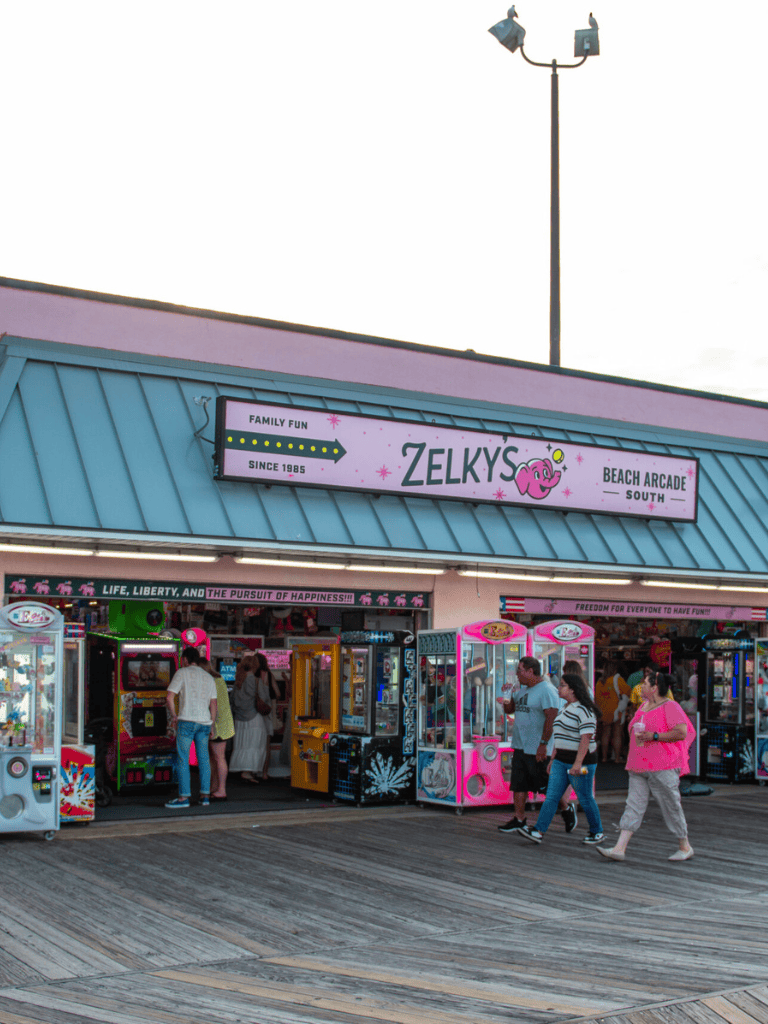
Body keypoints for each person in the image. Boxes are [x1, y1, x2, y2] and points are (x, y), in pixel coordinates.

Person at [597, 671, 695, 862]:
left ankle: (684, 845)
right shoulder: (643, 706)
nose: (641, 687)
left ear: (655, 688)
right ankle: (619, 847)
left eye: (645, 684)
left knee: (670, 804)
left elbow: (681, 732)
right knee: (633, 804)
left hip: (663, 765)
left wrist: (655, 736)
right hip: (639, 765)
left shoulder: (670, 706)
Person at [517, 672, 604, 845]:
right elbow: (560, 735)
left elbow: (585, 739)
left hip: (581, 761)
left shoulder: (584, 710)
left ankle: (597, 831)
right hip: (561, 760)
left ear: (572, 689)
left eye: (563, 685)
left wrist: (578, 763)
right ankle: (539, 831)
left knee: (585, 797)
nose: (559, 687)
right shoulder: (565, 707)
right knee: (552, 796)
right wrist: (553, 759)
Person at [497, 656, 576, 835]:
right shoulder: (523, 690)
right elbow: (510, 710)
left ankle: (566, 809)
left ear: (530, 671)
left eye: (520, 670)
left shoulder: (546, 689)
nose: (517, 674)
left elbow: (551, 716)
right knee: (519, 783)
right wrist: (507, 695)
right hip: (520, 744)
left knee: (546, 785)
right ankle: (519, 819)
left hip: (538, 747)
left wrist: (543, 743)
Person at [165, 646, 218, 809]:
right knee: (203, 760)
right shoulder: (209, 677)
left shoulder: (182, 673)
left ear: (186, 660)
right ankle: (204, 796)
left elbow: (169, 697)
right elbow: (213, 703)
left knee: (183, 759)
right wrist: (212, 723)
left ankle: (184, 797)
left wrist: (174, 715)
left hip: (187, 721)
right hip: (204, 723)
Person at [200, 658, 235, 800]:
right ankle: (215, 787)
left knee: (218, 757)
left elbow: (211, 704)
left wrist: (211, 725)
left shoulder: (209, 681)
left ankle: (221, 789)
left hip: (217, 724)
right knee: (216, 757)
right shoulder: (219, 679)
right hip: (224, 723)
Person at [229, 655, 268, 783]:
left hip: (239, 719)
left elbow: (232, 702)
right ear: (255, 666)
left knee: (242, 745)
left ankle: (243, 770)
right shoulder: (256, 680)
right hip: (254, 718)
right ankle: (248, 771)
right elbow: (264, 698)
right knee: (255, 745)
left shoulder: (238, 681)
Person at [594, 661, 630, 763]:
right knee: (617, 734)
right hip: (616, 712)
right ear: (615, 670)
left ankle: (604, 758)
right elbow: (628, 691)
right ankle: (617, 758)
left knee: (605, 734)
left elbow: (596, 698)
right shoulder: (617, 680)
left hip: (604, 712)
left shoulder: (599, 682)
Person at [254, 652, 280, 780]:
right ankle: (264, 772)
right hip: (267, 713)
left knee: (255, 744)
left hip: (254, 714)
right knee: (266, 745)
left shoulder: (252, 676)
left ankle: (254, 771)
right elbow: (278, 693)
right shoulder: (268, 675)